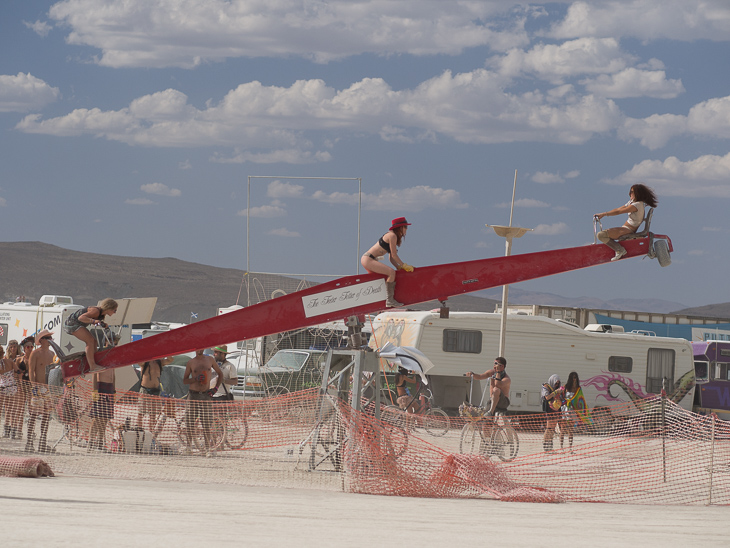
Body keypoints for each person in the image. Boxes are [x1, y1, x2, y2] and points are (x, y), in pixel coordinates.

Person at [594, 183, 658, 261]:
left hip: (628, 230)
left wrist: (604, 214)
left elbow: (619, 212)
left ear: (637, 193)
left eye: (631, 192)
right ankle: (616, 247)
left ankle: (619, 250)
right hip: (625, 229)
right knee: (602, 235)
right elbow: (618, 209)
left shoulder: (636, 205)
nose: (629, 193)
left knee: (601, 235)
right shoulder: (632, 202)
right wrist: (603, 214)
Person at [361, 217, 415, 308]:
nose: (406, 229)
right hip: (368, 259)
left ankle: (384, 300)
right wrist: (404, 265)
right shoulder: (392, 236)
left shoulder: (393, 236)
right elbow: (394, 255)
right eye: (405, 227)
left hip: (368, 259)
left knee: (384, 277)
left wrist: (398, 267)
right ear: (400, 228)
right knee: (391, 273)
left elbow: (391, 258)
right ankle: (390, 300)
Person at [183, 349, 224, 457]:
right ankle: (188, 447)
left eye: (201, 347)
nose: (199, 350)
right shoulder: (191, 362)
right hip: (193, 395)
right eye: (197, 348)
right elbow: (185, 380)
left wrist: (215, 389)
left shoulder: (210, 360)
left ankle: (207, 449)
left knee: (206, 422)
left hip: (206, 395)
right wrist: (195, 379)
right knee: (190, 422)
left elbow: (220, 374)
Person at [63, 298, 118, 372]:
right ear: (109, 307)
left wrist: (102, 324)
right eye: (114, 310)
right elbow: (81, 318)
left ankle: (95, 362)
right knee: (90, 341)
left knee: (94, 341)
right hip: (72, 324)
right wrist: (93, 321)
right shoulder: (96, 311)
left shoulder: (101, 314)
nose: (115, 312)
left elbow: (94, 321)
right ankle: (92, 366)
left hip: (76, 324)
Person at [26, 330, 56, 453]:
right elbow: (31, 371)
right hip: (37, 387)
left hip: (47, 388)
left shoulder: (52, 353)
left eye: (50, 337)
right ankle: (29, 442)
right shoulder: (35, 353)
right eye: (48, 337)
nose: (50, 339)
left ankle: (42, 442)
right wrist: (33, 386)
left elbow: (53, 372)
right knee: (33, 415)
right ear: (42, 340)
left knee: (46, 416)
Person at [88, 368, 115, 451]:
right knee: (96, 418)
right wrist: (95, 390)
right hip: (100, 386)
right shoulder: (101, 357)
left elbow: (113, 375)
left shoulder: (113, 360)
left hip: (109, 388)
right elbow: (94, 373)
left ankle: (100, 442)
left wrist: (113, 391)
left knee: (105, 418)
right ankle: (91, 442)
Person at [136, 359, 165, 435]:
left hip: (155, 392)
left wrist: (166, 351)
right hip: (145, 391)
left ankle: (150, 434)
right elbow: (138, 361)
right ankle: (138, 432)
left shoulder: (159, 362)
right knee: (141, 413)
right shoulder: (145, 362)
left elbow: (170, 359)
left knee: (153, 415)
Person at [541, 374, 565, 452]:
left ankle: (550, 447)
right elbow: (547, 397)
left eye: (558, 383)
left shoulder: (557, 388)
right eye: (555, 383)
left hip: (556, 409)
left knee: (553, 429)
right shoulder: (546, 386)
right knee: (549, 428)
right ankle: (546, 445)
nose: (556, 385)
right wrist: (555, 392)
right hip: (549, 409)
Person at [560, 371, 581, 451]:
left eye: (575, 377)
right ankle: (561, 447)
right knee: (563, 429)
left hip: (572, 410)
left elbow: (580, 399)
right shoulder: (565, 387)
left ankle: (570, 448)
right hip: (565, 409)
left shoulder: (578, 388)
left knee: (571, 430)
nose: (574, 379)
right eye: (573, 377)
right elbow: (562, 397)